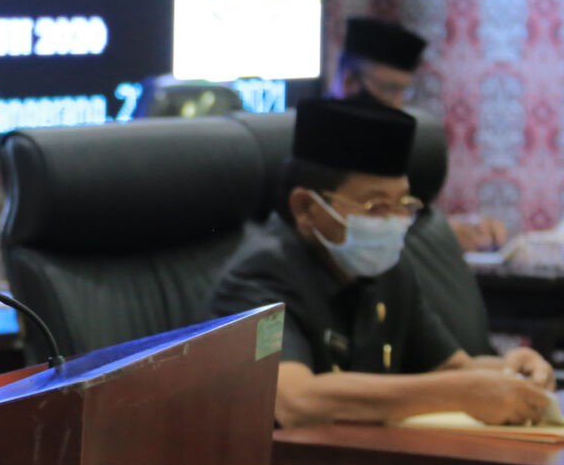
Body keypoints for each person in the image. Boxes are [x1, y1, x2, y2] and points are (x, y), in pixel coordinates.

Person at [209, 97, 554, 429]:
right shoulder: (258, 277)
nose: (395, 222)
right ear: (306, 208)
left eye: (403, 204)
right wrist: (460, 393)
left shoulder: (388, 267)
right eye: (376, 207)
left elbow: (454, 368)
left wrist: (510, 372)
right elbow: (293, 399)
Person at [331, 15, 505, 252]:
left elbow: (407, 219)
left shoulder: (393, 142)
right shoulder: (312, 145)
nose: (398, 104)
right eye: (390, 89)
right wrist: (438, 237)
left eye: (404, 91)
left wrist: (468, 228)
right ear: (350, 81)